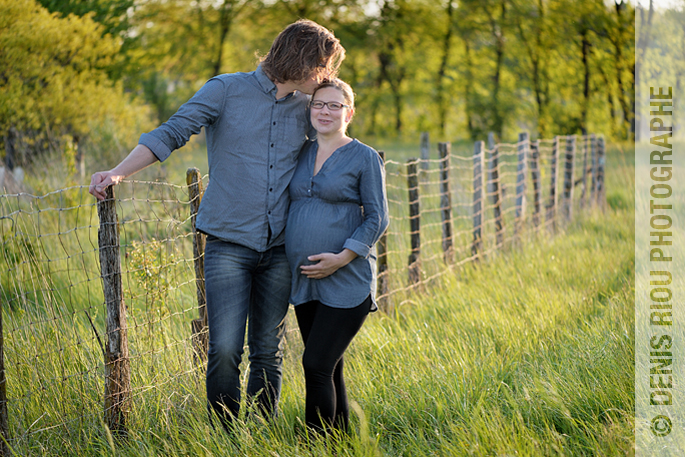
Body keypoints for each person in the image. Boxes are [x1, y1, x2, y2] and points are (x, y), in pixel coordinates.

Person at [89, 20, 346, 429]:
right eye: (322, 66)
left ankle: (262, 429)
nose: (325, 77)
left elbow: (337, 154)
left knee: (267, 348)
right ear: (299, 58)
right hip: (228, 243)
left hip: (282, 246)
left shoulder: (309, 105)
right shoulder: (225, 89)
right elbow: (172, 132)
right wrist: (118, 172)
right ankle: (225, 433)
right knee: (224, 348)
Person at [284, 79, 389, 433]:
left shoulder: (364, 157)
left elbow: (378, 217)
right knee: (330, 365)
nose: (325, 111)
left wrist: (342, 257)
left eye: (334, 105)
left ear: (349, 113)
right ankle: (341, 440)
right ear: (309, 110)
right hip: (305, 277)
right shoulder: (299, 152)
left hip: (346, 279)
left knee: (315, 364)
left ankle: (314, 445)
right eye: (318, 104)